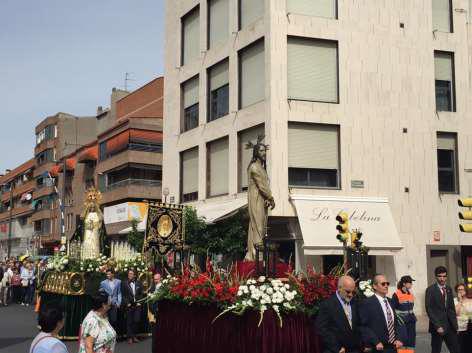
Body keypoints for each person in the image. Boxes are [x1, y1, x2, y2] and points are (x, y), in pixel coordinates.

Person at [316, 275, 362, 353]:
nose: (351, 295)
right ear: (339, 288)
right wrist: (336, 347)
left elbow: (358, 325)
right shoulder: (328, 304)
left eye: (353, 292)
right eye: (348, 291)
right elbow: (322, 329)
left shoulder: (355, 302)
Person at [359, 274, 403, 353]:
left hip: (393, 347)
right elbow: (364, 326)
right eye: (383, 284)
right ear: (375, 286)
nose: (386, 286)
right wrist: (375, 341)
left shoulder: (391, 301)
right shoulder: (367, 303)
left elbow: (395, 323)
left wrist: (399, 338)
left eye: (387, 283)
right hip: (378, 347)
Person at [425, 266, 460, 353]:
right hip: (438, 327)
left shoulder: (448, 289)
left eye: (444, 276)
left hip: (450, 326)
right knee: (436, 350)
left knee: (456, 349)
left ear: (446, 277)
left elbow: (451, 308)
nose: (442, 279)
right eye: (440, 276)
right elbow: (429, 309)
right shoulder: (430, 290)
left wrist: (455, 325)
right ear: (436, 277)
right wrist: (437, 326)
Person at [391, 275, 417, 349]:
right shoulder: (396, 294)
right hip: (401, 321)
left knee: (411, 341)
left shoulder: (410, 293)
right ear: (404, 284)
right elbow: (393, 309)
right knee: (402, 340)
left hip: (411, 320)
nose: (411, 284)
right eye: (410, 282)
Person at [121, 269, 144, 344]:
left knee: (136, 321)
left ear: (134, 275)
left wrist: (139, 302)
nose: (130, 275)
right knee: (129, 322)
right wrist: (127, 303)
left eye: (131, 274)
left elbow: (141, 294)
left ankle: (134, 336)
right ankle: (129, 337)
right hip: (129, 305)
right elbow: (123, 295)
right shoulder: (124, 283)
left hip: (137, 304)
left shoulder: (139, 283)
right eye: (129, 274)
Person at [454, 283, 472, 353]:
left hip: (469, 328)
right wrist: (460, 300)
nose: (460, 291)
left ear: (465, 290)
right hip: (459, 328)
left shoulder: (470, 301)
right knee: (460, 348)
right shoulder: (454, 301)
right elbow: (455, 313)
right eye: (458, 289)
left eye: (462, 289)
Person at [149, 272, 162, 353]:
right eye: (154, 279)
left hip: (160, 312)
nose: (156, 281)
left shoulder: (163, 287)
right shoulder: (152, 287)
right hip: (153, 312)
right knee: (154, 333)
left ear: (160, 279)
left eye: (157, 279)